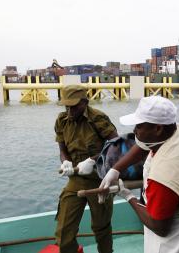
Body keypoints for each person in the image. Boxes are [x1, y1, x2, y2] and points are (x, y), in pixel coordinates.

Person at [100, 96, 179, 253]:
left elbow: (160, 227)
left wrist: (129, 196)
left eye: (139, 125)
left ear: (157, 129)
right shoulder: (177, 131)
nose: (134, 130)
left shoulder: (165, 174)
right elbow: (144, 145)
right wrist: (115, 169)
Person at [55, 85, 118, 253]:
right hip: (75, 180)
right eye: (66, 106)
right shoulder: (62, 121)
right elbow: (62, 150)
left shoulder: (98, 118)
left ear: (85, 102)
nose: (69, 110)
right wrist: (65, 162)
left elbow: (117, 146)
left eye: (74, 106)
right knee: (63, 232)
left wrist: (94, 159)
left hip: (100, 180)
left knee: (101, 227)